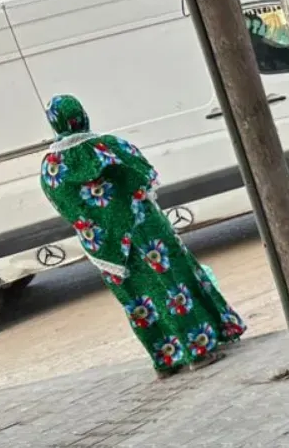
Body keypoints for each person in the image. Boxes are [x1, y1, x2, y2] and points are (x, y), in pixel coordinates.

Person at [39, 95, 246, 376]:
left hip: (106, 250)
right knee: (174, 288)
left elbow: (67, 209)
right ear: (82, 115)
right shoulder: (110, 147)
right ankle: (198, 350)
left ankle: (166, 361)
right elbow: (146, 178)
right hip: (147, 234)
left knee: (139, 302)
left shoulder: (50, 169)